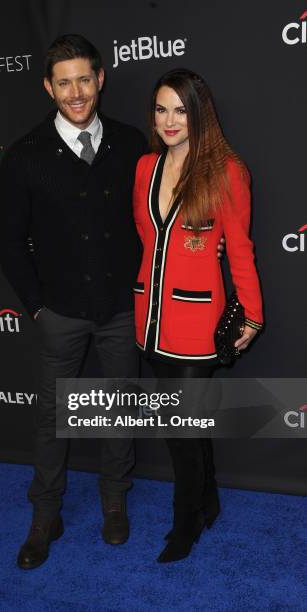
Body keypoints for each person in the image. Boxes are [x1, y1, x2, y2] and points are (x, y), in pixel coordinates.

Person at [0, 35, 225, 570]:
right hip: (59, 313)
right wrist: (37, 308)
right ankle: (44, 516)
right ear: (49, 88)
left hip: (125, 312)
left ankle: (113, 502)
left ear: (100, 80)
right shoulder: (25, 154)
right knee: (54, 419)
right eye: (63, 81)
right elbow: (9, 241)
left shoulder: (132, 147)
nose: (75, 91)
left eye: (84, 79)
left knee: (120, 411)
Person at [133, 68, 263, 563]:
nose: (170, 120)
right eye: (161, 109)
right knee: (186, 426)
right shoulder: (144, 167)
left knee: (181, 431)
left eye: (181, 110)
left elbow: (242, 251)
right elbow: (148, 244)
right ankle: (207, 498)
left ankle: (184, 523)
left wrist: (250, 314)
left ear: (199, 113)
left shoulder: (227, 171)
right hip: (150, 317)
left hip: (197, 326)